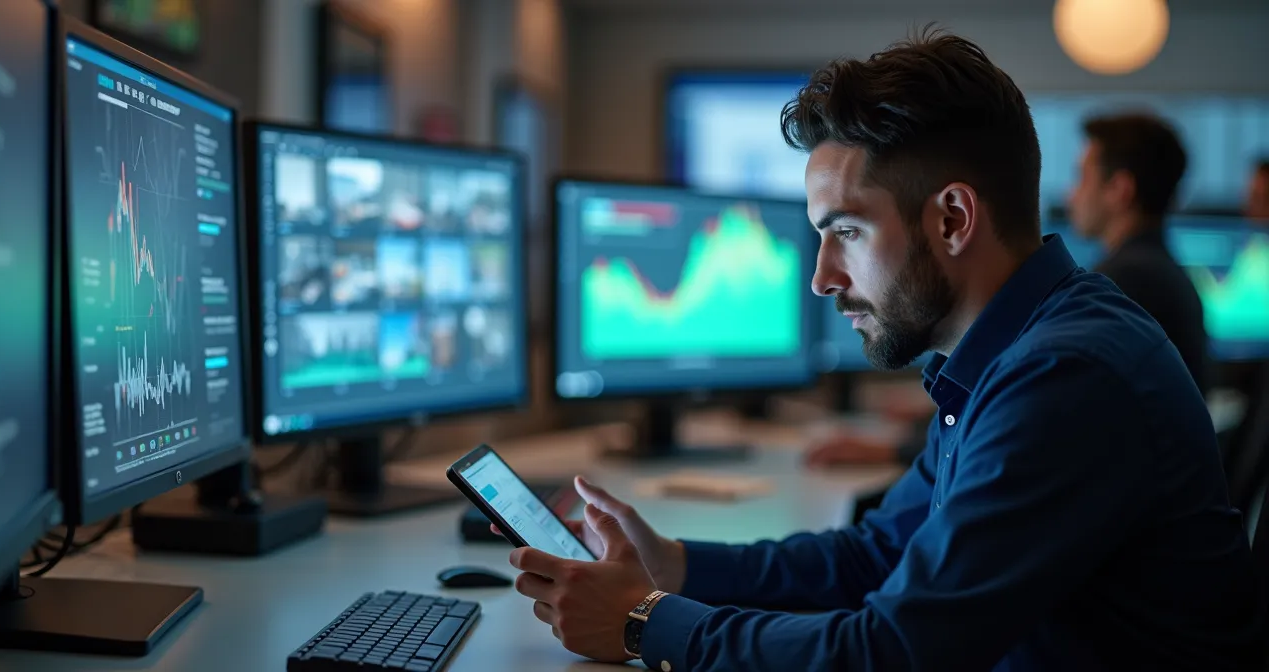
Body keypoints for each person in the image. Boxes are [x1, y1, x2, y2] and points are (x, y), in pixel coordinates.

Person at [504, 28, 1264, 671]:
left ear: (953, 219)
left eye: (846, 232)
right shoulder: (1003, 357)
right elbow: (877, 554)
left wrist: (644, 624)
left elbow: (896, 652)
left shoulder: (1066, 375)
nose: (821, 279)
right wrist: (675, 563)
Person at [1067, 112, 1209, 394]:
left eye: (1082, 177)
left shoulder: (1121, 282)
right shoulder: (1160, 270)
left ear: (1120, 189)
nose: (1071, 195)